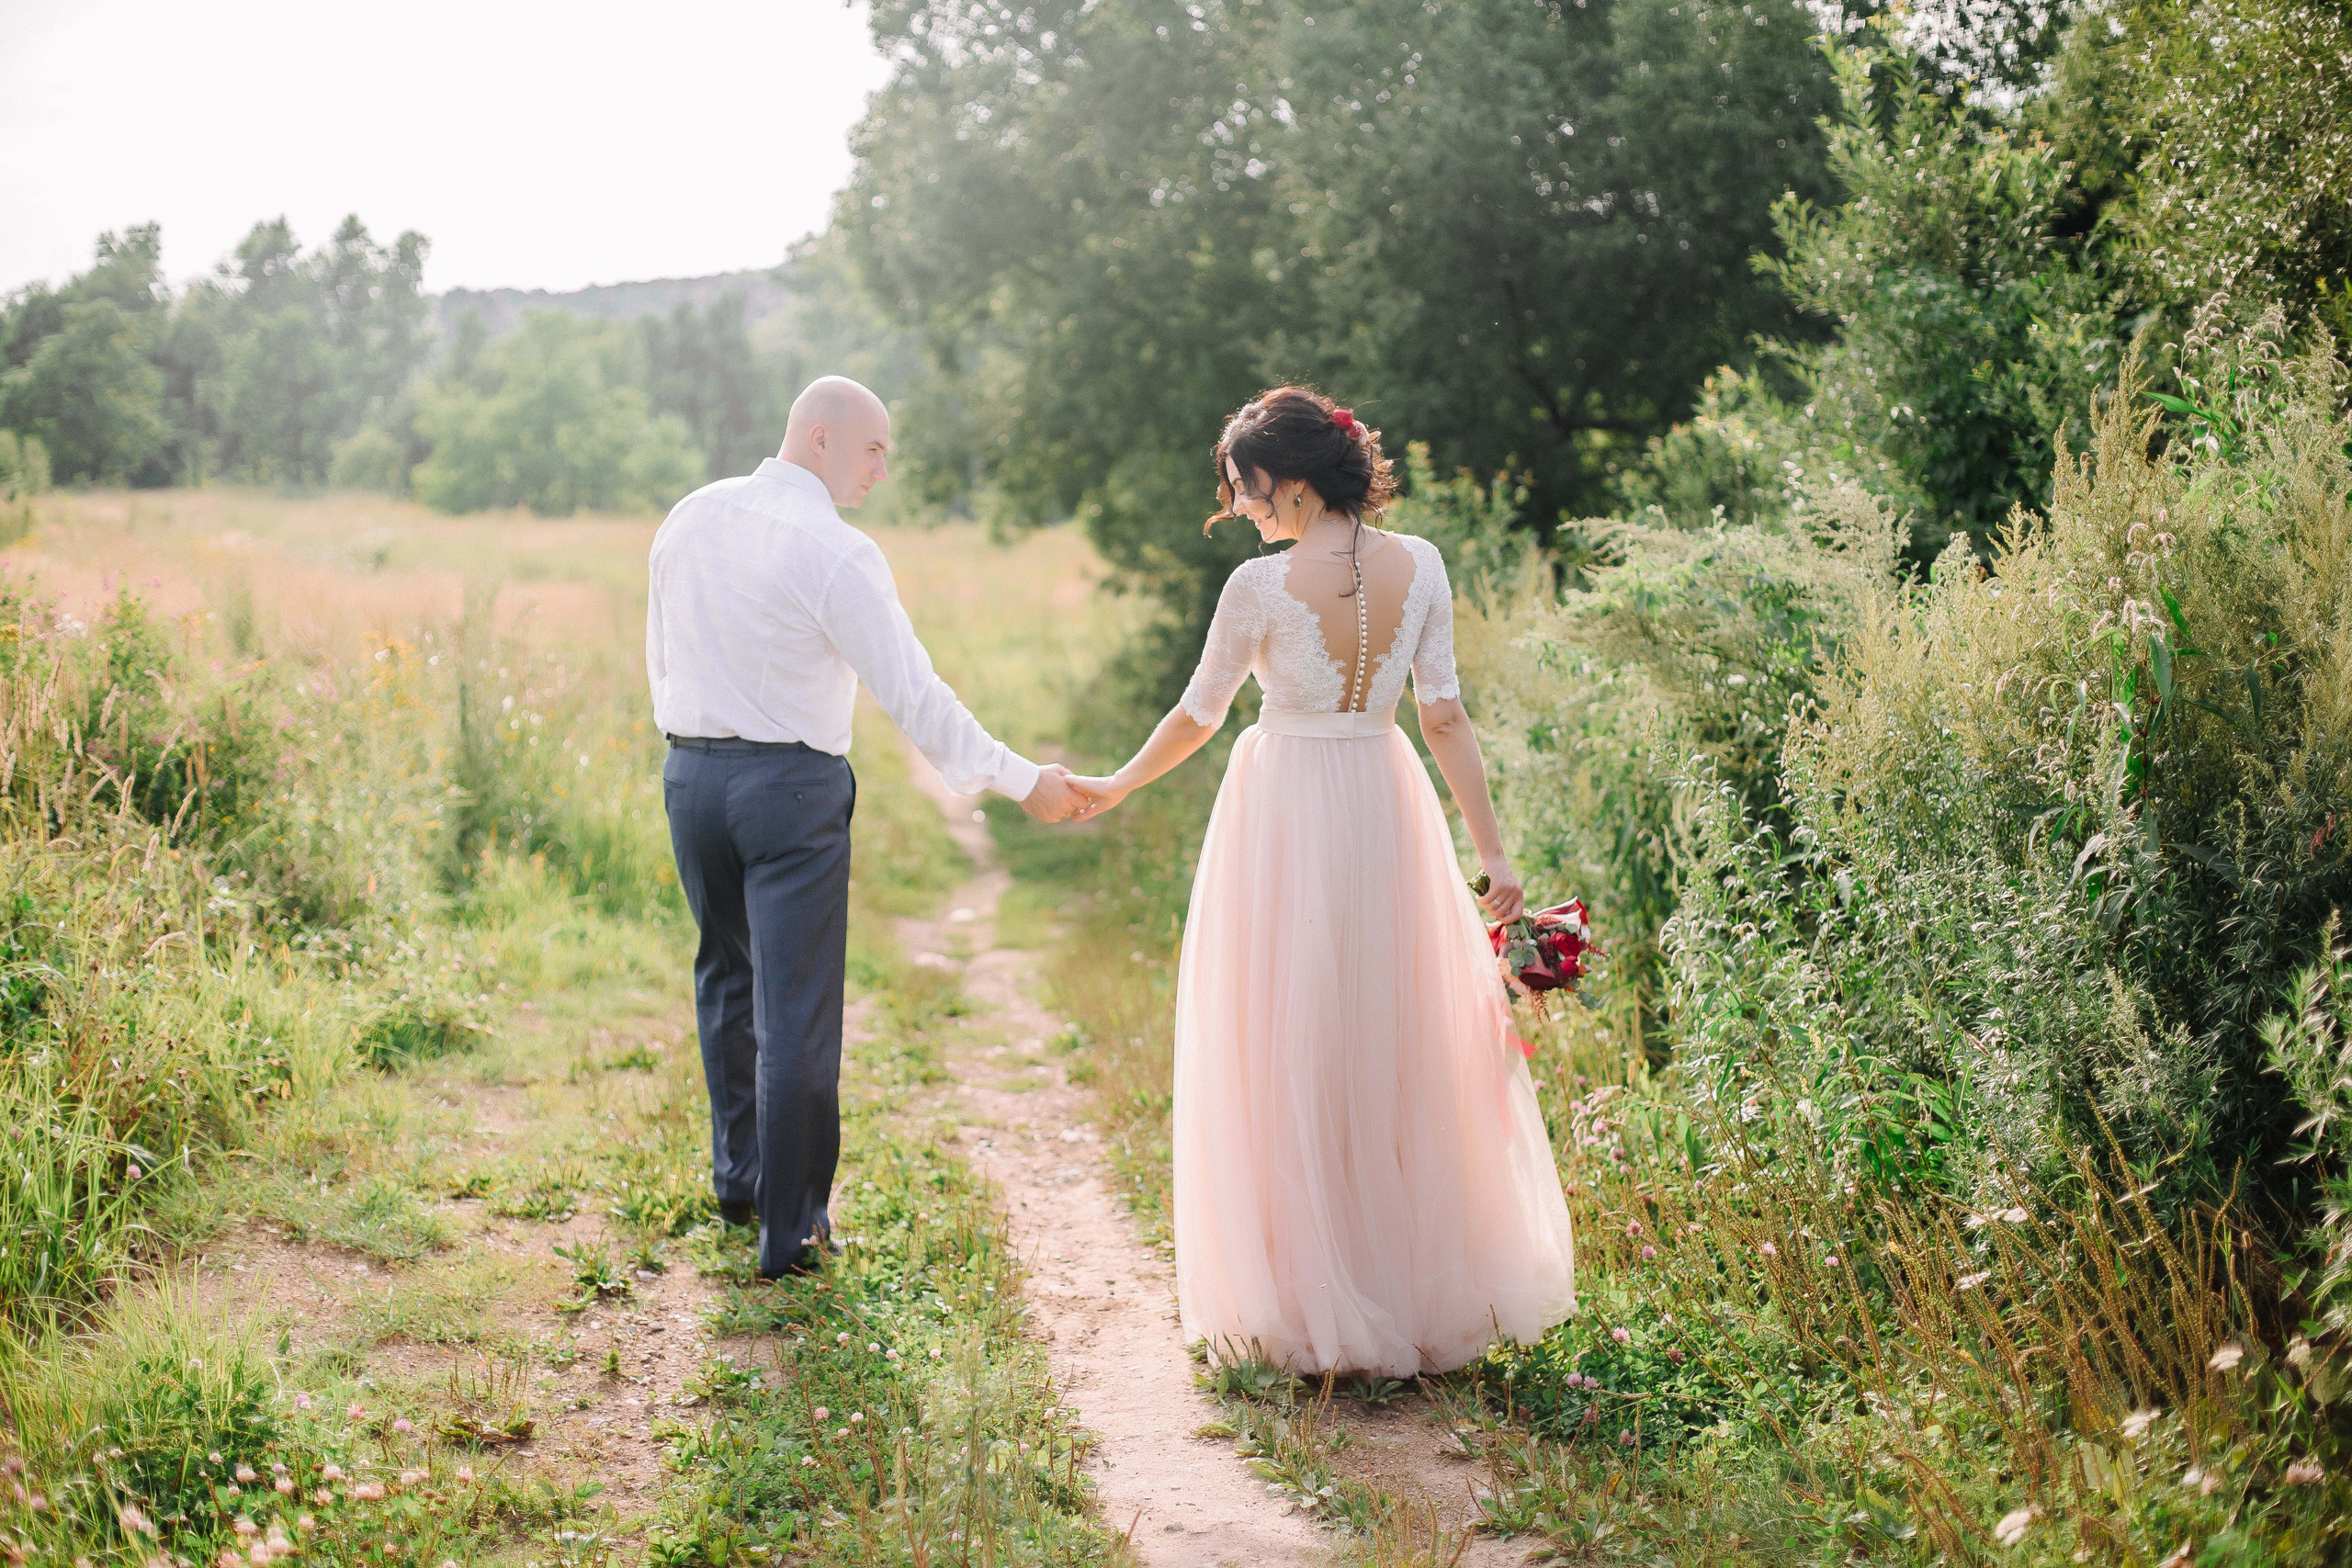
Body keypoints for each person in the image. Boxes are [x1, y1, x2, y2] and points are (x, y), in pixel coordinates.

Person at [1066, 387, 1577, 1375]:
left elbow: (1199, 715)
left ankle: (1308, 1297)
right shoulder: (1420, 564)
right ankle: (1401, 1287)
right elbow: (1442, 719)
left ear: (1292, 483)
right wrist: (1495, 854)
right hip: (1385, 802)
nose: (1242, 508)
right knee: (1389, 1034)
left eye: (1248, 491)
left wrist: (1121, 783)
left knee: (1287, 1037)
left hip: (1286, 809)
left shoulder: (1257, 590)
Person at [648, 376, 1090, 1279]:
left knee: (725, 975)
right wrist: (1019, 781)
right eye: (875, 449)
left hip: (689, 776)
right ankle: (791, 1230)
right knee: (796, 1013)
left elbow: (661, 648)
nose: (882, 470)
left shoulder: (688, 515)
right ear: (818, 438)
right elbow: (913, 697)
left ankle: (739, 1177)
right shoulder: (836, 551)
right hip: (790, 793)